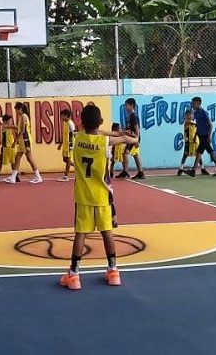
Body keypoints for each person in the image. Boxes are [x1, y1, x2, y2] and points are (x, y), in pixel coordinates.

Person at [59, 104, 138, 290]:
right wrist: (130, 137)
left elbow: (97, 132)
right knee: (107, 233)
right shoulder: (104, 142)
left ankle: (74, 275)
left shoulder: (78, 138)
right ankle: (113, 271)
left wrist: (114, 133)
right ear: (101, 121)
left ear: (81, 123)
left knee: (80, 234)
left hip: (83, 196)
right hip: (102, 196)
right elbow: (123, 139)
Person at [4, 102, 43, 184]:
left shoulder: (24, 116)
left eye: (16, 110)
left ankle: (38, 176)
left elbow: (22, 131)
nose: (16, 112)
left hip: (25, 139)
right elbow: (19, 129)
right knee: (17, 158)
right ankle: (13, 177)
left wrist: (15, 141)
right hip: (22, 140)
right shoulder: (21, 117)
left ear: (20, 109)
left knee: (29, 158)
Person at [188, 97, 216, 176]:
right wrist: (195, 135)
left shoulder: (204, 113)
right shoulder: (195, 113)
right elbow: (198, 125)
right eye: (191, 104)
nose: (192, 105)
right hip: (200, 135)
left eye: (193, 104)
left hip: (205, 135)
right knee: (211, 152)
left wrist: (209, 136)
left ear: (198, 103)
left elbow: (210, 125)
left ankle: (193, 170)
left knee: (198, 152)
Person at [116, 98, 145, 179]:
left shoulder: (134, 116)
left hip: (134, 137)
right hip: (131, 137)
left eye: (127, 105)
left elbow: (136, 128)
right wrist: (123, 132)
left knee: (125, 153)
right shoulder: (130, 116)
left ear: (131, 105)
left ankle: (126, 171)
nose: (125, 107)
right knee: (135, 154)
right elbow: (129, 127)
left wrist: (137, 139)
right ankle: (140, 172)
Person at [0, 114, 19, 185]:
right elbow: (15, 127)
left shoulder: (10, 127)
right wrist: (19, 127)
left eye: (11, 121)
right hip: (5, 147)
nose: (11, 122)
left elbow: (15, 130)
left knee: (13, 162)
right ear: (5, 121)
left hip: (11, 147)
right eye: (10, 120)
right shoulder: (3, 126)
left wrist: (15, 140)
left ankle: (15, 176)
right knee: (1, 162)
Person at [57, 109, 76, 182]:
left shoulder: (70, 123)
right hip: (65, 144)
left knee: (68, 160)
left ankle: (66, 176)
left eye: (62, 116)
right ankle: (78, 167)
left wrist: (72, 144)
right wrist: (60, 144)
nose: (61, 117)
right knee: (65, 159)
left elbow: (73, 134)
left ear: (66, 115)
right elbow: (65, 135)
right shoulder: (65, 123)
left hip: (69, 144)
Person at [178, 110, 198, 176]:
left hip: (194, 141)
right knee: (185, 154)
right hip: (188, 141)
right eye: (187, 115)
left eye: (190, 115)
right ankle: (180, 169)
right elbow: (195, 124)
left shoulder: (193, 122)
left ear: (192, 115)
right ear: (185, 116)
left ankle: (203, 168)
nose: (188, 116)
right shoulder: (187, 122)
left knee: (198, 154)